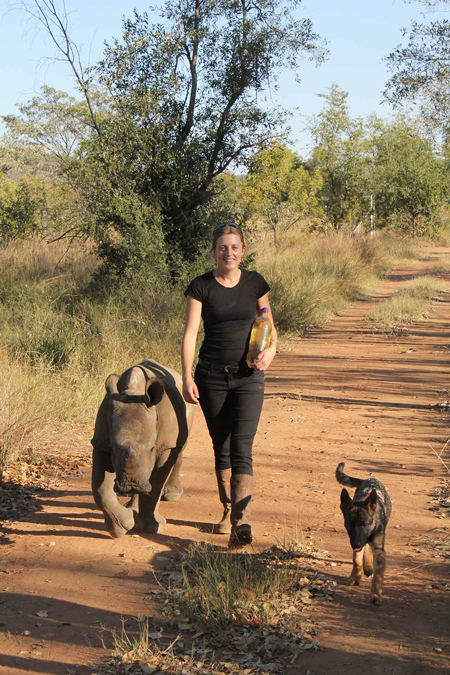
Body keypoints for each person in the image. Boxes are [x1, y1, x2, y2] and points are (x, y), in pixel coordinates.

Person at [181, 222, 277, 547]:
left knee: (242, 447)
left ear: (243, 250)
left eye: (234, 247)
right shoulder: (201, 287)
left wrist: (272, 350)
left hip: (249, 376)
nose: (229, 253)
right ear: (213, 251)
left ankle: (242, 520)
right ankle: (228, 510)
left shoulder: (255, 283)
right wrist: (186, 377)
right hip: (210, 377)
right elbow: (191, 334)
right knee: (221, 446)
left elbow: (267, 322)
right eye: (223, 247)